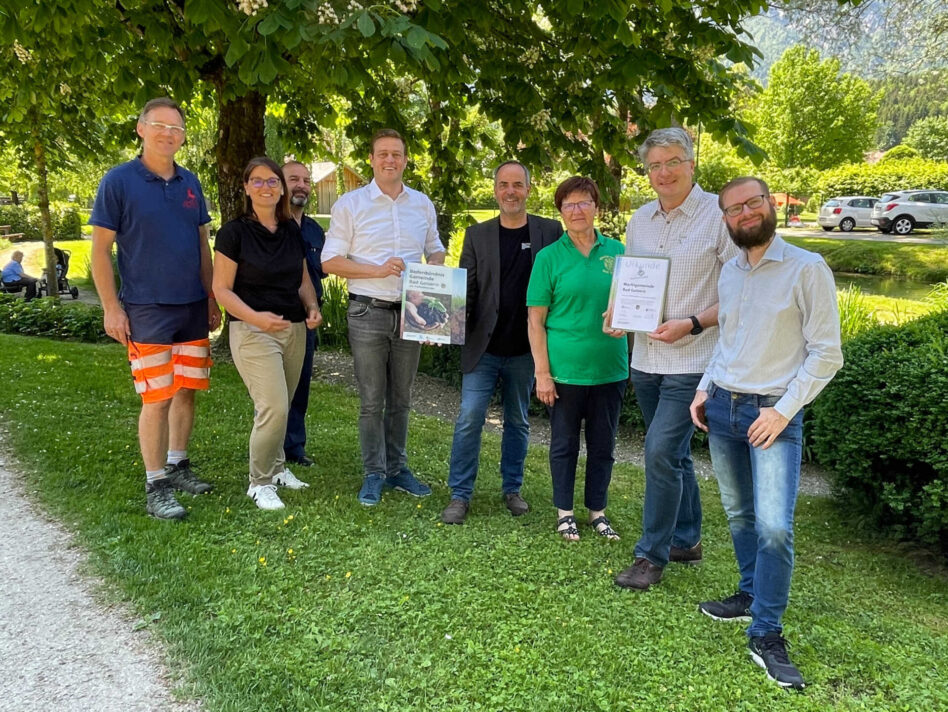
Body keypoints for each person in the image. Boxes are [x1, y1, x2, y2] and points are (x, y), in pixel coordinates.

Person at [690, 177, 842, 690]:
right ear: (726, 219)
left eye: (752, 203)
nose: (744, 214)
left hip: (772, 414)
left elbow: (826, 353)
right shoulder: (731, 272)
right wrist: (704, 388)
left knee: (774, 527)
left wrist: (782, 411)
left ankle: (767, 633)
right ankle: (750, 594)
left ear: (769, 204)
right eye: (733, 210)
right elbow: (729, 339)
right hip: (724, 409)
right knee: (739, 514)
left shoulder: (806, 268)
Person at [611, 127, 739, 589]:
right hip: (645, 358)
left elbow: (740, 292)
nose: (663, 172)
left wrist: (693, 323)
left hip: (695, 359)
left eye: (672, 162)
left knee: (660, 451)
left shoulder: (718, 217)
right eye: (654, 166)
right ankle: (688, 538)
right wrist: (618, 310)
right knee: (675, 454)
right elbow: (633, 279)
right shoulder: (640, 219)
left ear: (690, 165)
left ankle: (651, 555)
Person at [90, 97, 219, 521]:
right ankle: (155, 484)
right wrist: (112, 307)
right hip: (146, 307)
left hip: (192, 306)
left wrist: (211, 296)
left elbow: (202, 244)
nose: (169, 134)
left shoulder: (189, 182)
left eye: (176, 128)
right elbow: (100, 252)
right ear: (141, 129)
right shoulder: (119, 181)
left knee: (186, 391)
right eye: (159, 125)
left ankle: (179, 465)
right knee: (157, 396)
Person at [322, 129, 445, 506]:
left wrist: (434, 294)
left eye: (397, 154)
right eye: (383, 154)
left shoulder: (421, 204)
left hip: (410, 315)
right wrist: (378, 270)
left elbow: (436, 251)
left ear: (406, 160)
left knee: (402, 398)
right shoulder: (350, 204)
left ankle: (398, 469)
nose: (390, 160)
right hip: (367, 312)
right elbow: (329, 261)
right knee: (372, 400)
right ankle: (374, 473)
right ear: (372, 160)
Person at [441, 161, 561, 525]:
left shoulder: (550, 231)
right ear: (495, 190)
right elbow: (468, 289)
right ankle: (460, 495)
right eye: (504, 184)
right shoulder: (477, 236)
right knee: (469, 417)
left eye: (518, 185)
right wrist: (442, 326)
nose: (511, 191)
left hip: (527, 350)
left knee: (518, 421)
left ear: (529, 188)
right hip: (485, 347)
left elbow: (562, 282)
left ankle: (512, 489)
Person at [213, 157, 322, 511]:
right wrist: (257, 318)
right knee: (273, 406)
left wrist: (311, 307)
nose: (266, 188)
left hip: (293, 329)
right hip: (252, 330)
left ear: (281, 188)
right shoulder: (234, 233)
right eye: (257, 181)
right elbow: (222, 290)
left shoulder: (291, 227)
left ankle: (277, 470)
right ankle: (258, 482)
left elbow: (302, 275)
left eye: (272, 182)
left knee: (284, 405)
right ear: (246, 187)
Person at [526, 176, 628, 541]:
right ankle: (565, 512)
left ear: (596, 207)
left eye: (584, 202)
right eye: (568, 205)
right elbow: (535, 320)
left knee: (604, 445)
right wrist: (543, 373)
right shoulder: (548, 258)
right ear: (561, 212)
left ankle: (597, 512)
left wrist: (628, 321)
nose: (577, 210)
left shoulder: (619, 253)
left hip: (610, 369)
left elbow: (636, 307)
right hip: (564, 372)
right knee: (564, 444)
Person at [281, 160, 327, 468]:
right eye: (293, 179)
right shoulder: (269, 226)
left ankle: (294, 447)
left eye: (306, 181)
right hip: (275, 317)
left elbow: (320, 273)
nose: (301, 185)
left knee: (299, 385)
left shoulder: (314, 231)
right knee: (274, 387)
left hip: (307, 320)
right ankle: (272, 448)